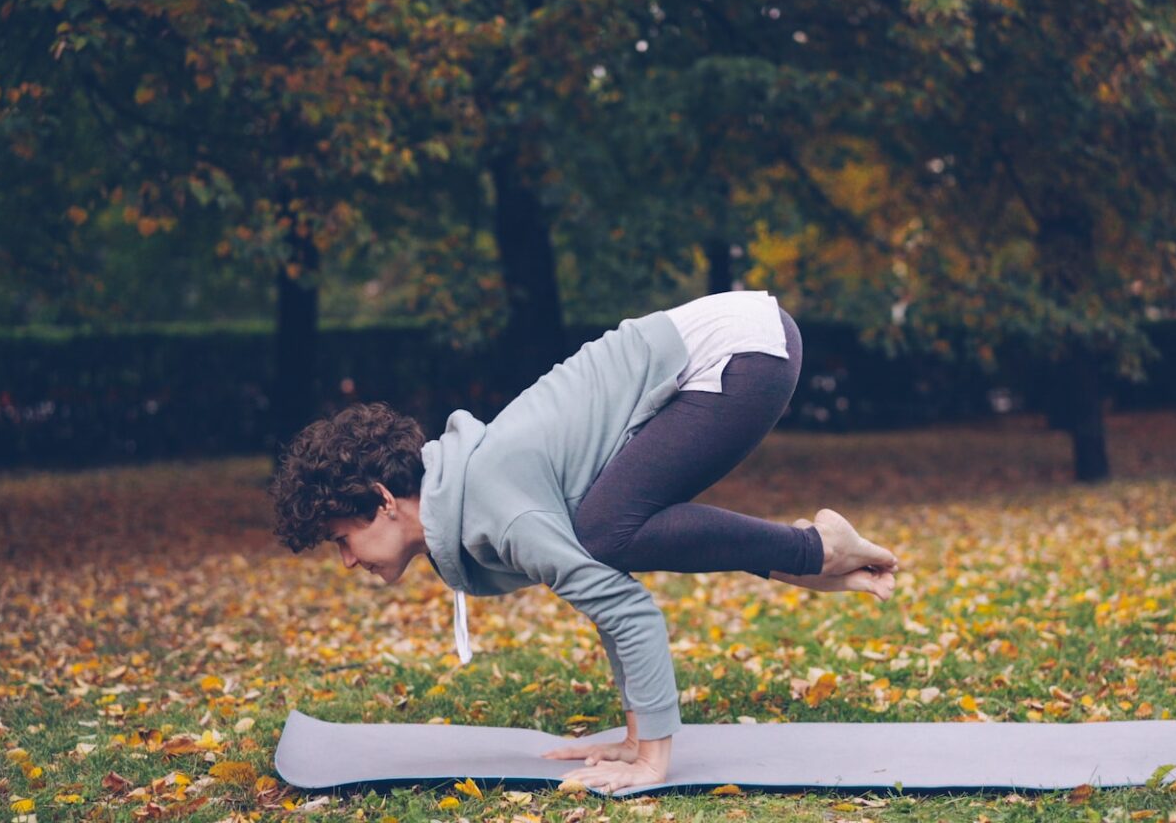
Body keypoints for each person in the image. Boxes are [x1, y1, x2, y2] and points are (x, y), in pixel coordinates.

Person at [269, 290, 899, 794]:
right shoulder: (475, 502)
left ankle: (815, 550)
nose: (348, 559)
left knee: (603, 534)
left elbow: (625, 608)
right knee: (605, 536)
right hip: (738, 345)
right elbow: (604, 588)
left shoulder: (495, 507)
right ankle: (815, 552)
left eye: (342, 540)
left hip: (739, 351)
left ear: (383, 500)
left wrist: (651, 760)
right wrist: (632, 734)